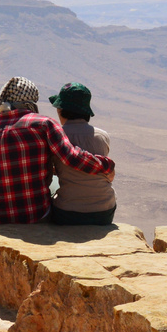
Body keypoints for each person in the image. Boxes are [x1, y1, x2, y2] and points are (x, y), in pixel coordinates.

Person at [0, 77, 114, 225]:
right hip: (37, 213)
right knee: (54, 182)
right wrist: (105, 164)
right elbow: (71, 158)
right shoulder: (45, 124)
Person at [47, 82, 117, 226]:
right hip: (104, 212)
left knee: (52, 182)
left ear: (60, 110)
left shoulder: (56, 137)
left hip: (67, 214)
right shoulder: (102, 136)